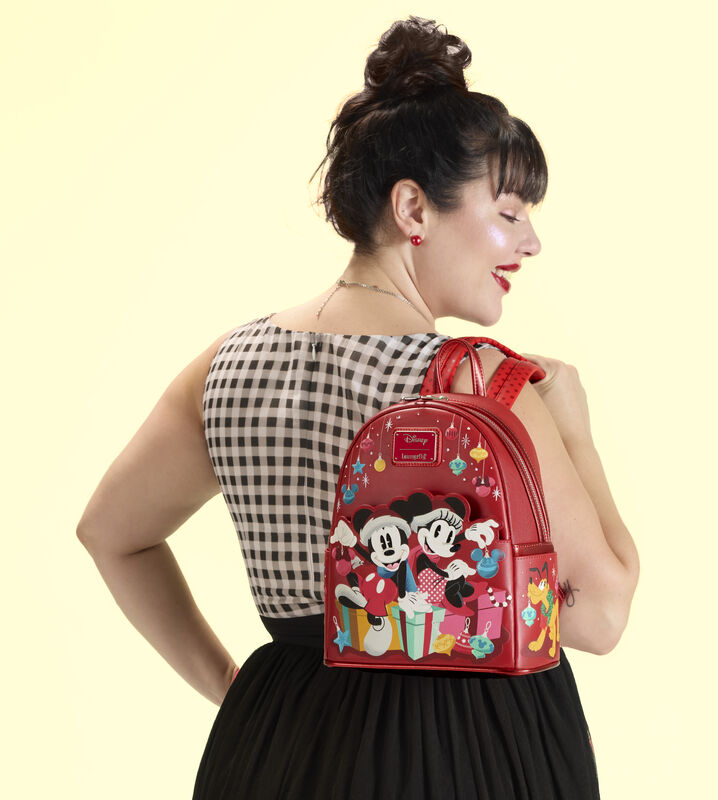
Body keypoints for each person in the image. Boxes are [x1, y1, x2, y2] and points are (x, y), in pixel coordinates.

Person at [76, 15, 639, 800]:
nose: (531, 243)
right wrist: (574, 431)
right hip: (467, 749)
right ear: (414, 209)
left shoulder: (225, 366)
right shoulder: (474, 383)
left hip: (276, 741)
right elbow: (599, 617)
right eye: (510, 213)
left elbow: (111, 534)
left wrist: (234, 690)